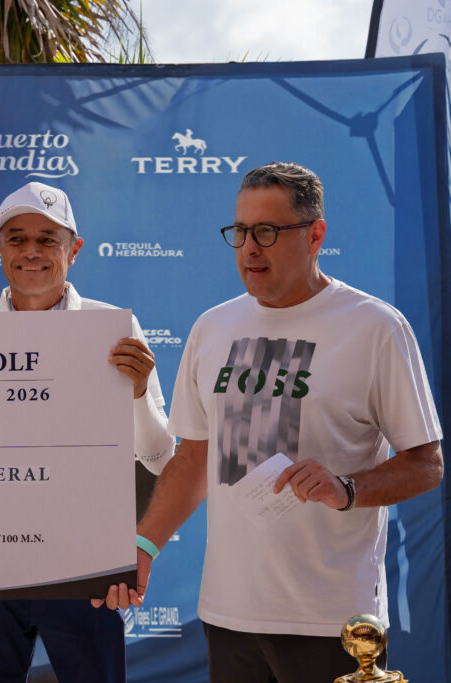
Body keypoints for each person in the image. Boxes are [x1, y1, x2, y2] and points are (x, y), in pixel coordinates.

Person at [97, 162, 443, 682]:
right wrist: (144, 545)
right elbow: (194, 457)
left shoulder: (375, 327)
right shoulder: (212, 327)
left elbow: (426, 464)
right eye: (239, 232)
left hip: (334, 621)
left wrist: (347, 488)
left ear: (315, 235)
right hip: (228, 616)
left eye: (266, 231)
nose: (249, 249)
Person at [0, 182, 175, 683]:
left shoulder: (115, 330)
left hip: (85, 565)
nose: (31, 252)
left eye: (47, 239)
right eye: (17, 238)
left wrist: (136, 395)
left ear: (74, 249)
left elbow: (157, 456)